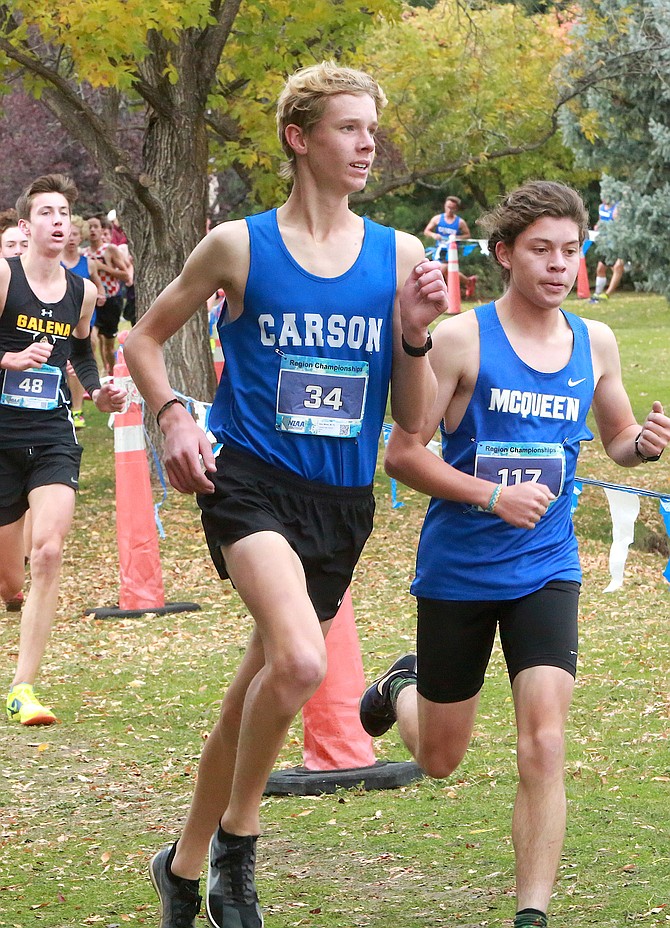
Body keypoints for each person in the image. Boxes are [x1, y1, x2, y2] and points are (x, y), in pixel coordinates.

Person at [124, 60, 448, 928]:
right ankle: (239, 844)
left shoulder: (399, 256)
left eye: (372, 129)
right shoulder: (239, 245)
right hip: (251, 484)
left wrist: (415, 335)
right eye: (348, 127)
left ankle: (182, 868)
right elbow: (144, 339)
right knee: (301, 663)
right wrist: (173, 417)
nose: (367, 143)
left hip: (340, 504)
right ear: (300, 138)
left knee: (256, 691)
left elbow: (411, 425)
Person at [360, 181, 670, 928]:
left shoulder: (595, 342)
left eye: (570, 250)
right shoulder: (464, 338)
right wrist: (489, 496)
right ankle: (403, 684)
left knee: (544, 739)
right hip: (460, 571)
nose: (559, 264)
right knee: (439, 758)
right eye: (542, 249)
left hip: (547, 567)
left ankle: (531, 912)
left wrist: (644, 445)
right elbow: (402, 453)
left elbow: (617, 438)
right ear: (504, 254)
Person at [1, 174, 126, 726]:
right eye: (46, 212)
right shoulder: (4, 278)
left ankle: (23, 688)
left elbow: (81, 354)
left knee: (48, 551)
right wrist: (7, 361)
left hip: (52, 434)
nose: (58, 220)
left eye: (65, 212)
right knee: (9, 582)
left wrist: (100, 391)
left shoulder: (84, 292)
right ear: (26, 228)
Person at [83, 214, 131, 376]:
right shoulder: (83, 253)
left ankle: (111, 375)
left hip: (112, 300)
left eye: (96, 226)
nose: (93, 230)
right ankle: (95, 374)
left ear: (102, 229)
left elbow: (126, 275)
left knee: (108, 345)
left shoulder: (110, 249)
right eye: (89, 227)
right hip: (93, 301)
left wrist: (103, 268)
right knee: (92, 339)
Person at [423, 195, 477, 298]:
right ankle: (468, 282)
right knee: (448, 271)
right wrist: (434, 235)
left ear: (456, 209)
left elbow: (467, 235)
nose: (449, 210)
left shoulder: (460, 222)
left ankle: (439, 293)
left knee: (442, 268)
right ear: (445, 206)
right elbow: (426, 231)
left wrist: (456, 237)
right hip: (439, 249)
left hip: (452, 250)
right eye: (448, 207)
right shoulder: (438, 218)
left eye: (452, 208)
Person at [592, 196, 624, 301]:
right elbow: (600, 221)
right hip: (605, 243)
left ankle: (607, 295)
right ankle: (597, 294)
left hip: (616, 242)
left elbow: (621, 225)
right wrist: (597, 226)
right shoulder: (601, 207)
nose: (603, 198)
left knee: (618, 267)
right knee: (600, 268)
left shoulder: (617, 207)